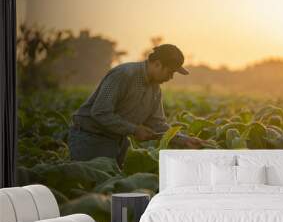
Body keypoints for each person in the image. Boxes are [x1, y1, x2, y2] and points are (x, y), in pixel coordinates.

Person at [68, 44, 205, 168]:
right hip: (90, 138)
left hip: (117, 140)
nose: (171, 77)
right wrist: (134, 129)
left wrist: (184, 140)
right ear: (157, 64)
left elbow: (157, 123)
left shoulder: (155, 89)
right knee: (97, 188)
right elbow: (100, 112)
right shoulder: (123, 74)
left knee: (117, 185)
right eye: (170, 72)